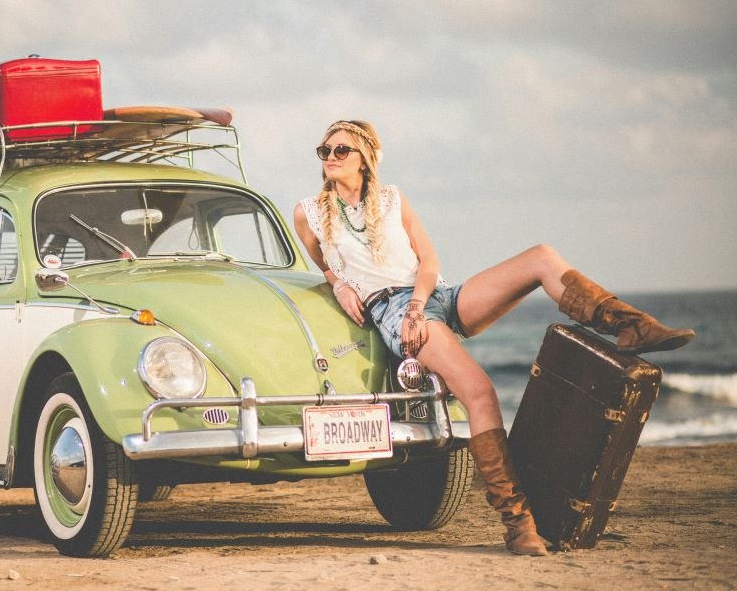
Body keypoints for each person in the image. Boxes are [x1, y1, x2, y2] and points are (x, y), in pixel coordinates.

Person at [293, 119, 694, 556]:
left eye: (340, 151)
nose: (330, 158)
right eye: (325, 150)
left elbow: (428, 261)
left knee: (541, 257)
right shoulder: (308, 212)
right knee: (480, 393)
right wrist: (340, 285)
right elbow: (327, 266)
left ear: (366, 161)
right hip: (394, 313)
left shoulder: (392, 200)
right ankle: (518, 523)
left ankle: (629, 325)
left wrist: (419, 304)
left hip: (433, 297)